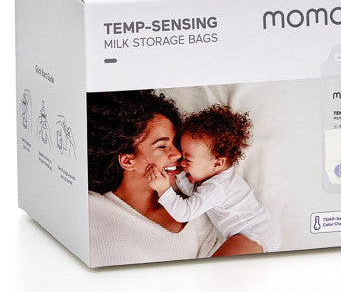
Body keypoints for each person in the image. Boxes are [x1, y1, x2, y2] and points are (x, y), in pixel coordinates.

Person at [87, 90, 264, 267]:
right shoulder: (91, 208)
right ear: (127, 161)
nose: (178, 154)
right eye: (162, 146)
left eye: (175, 143)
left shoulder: (197, 199)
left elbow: (248, 248)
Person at [146, 105, 280, 254]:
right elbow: (193, 192)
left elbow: (185, 212)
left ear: (217, 163)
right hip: (258, 231)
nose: (181, 163)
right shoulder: (215, 176)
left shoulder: (218, 187)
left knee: (215, 267)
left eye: (187, 160)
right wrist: (178, 173)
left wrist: (164, 190)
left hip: (252, 233)